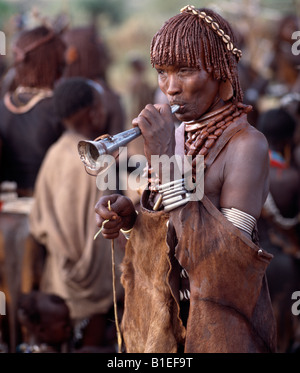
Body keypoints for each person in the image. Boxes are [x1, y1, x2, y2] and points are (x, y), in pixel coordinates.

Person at [94, 5, 277, 353]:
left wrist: (162, 156)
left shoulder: (247, 145)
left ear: (221, 73)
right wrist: (132, 220)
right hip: (168, 326)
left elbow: (224, 267)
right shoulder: (180, 136)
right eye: (162, 73)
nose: (170, 88)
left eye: (186, 71)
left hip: (222, 332)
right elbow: (171, 236)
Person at [28, 77, 125, 352]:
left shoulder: (54, 154)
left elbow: (38, 223)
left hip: (59, 279)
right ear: (93, 111)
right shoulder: (99, 162)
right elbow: (108, 227)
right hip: (96, 283)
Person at [0, 25, 66, 197]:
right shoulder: (59, 109)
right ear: (52, 61)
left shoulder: (3, 105)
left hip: (6, 209)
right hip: (49, 209)